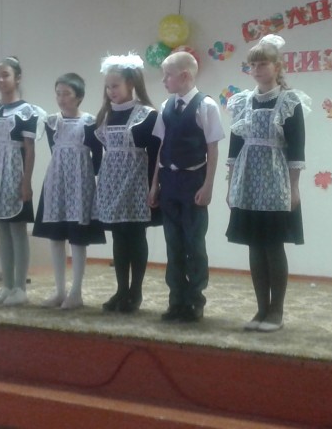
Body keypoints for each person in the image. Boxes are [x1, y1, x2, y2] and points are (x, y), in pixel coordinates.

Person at [225, 34, 309, 332]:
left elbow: (297, 150)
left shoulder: (289, 102)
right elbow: (234, 147)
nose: (257, 70)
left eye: (263, 64)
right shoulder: (242, 102)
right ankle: (261, 309)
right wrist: (230, 185)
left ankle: (276, 312)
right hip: (248, 179)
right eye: (253, 65)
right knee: (254, 246)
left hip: (275, 181)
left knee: (273, 246)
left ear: (277, 66)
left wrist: (294, 188)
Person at [148, 51, 224, 323]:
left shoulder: (206, 106)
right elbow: (161, 147)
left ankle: (195, 300)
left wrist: (208, 185)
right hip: (169, 182)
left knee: (194, 243)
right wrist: (154, 184)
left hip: (193, 182)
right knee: (173, 244)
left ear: (185, 76)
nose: (163, 80)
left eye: (167, 75)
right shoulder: (166, 106)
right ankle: (176, 300)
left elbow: (213, 149)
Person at [0, 56, 46, 307]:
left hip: (15, 175)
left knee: (17, 230)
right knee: (1, 230)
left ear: (18, 78)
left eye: (6, 75)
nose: (1, 80)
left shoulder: (27, 111)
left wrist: (26, 182)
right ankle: (7, 285)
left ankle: (20, 288)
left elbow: (30, 149)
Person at [94, 53, 161, 314]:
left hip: (136, 183)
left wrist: (154, 186)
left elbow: (156, 155)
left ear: (131, 83)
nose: (111, 91)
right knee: (119, 237)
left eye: (115, 86)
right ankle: (121, 289)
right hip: (112, 182)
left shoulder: (147, 115)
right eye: (107, 87)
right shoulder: (106, 115)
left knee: (135, 235)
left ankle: (136, 291)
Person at [32, 73, 105, 309]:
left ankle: (76, 292)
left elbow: (97, 157)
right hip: (56, 184)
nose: (61, 98)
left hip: (80, 185)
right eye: (58, 93)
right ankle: (59, 290)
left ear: (79, 97)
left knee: (78, 239)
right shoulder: (51, 122)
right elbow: (56, 151)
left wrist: (85, 179)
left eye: (67, 94)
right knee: (55, 237)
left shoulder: (90, 122)